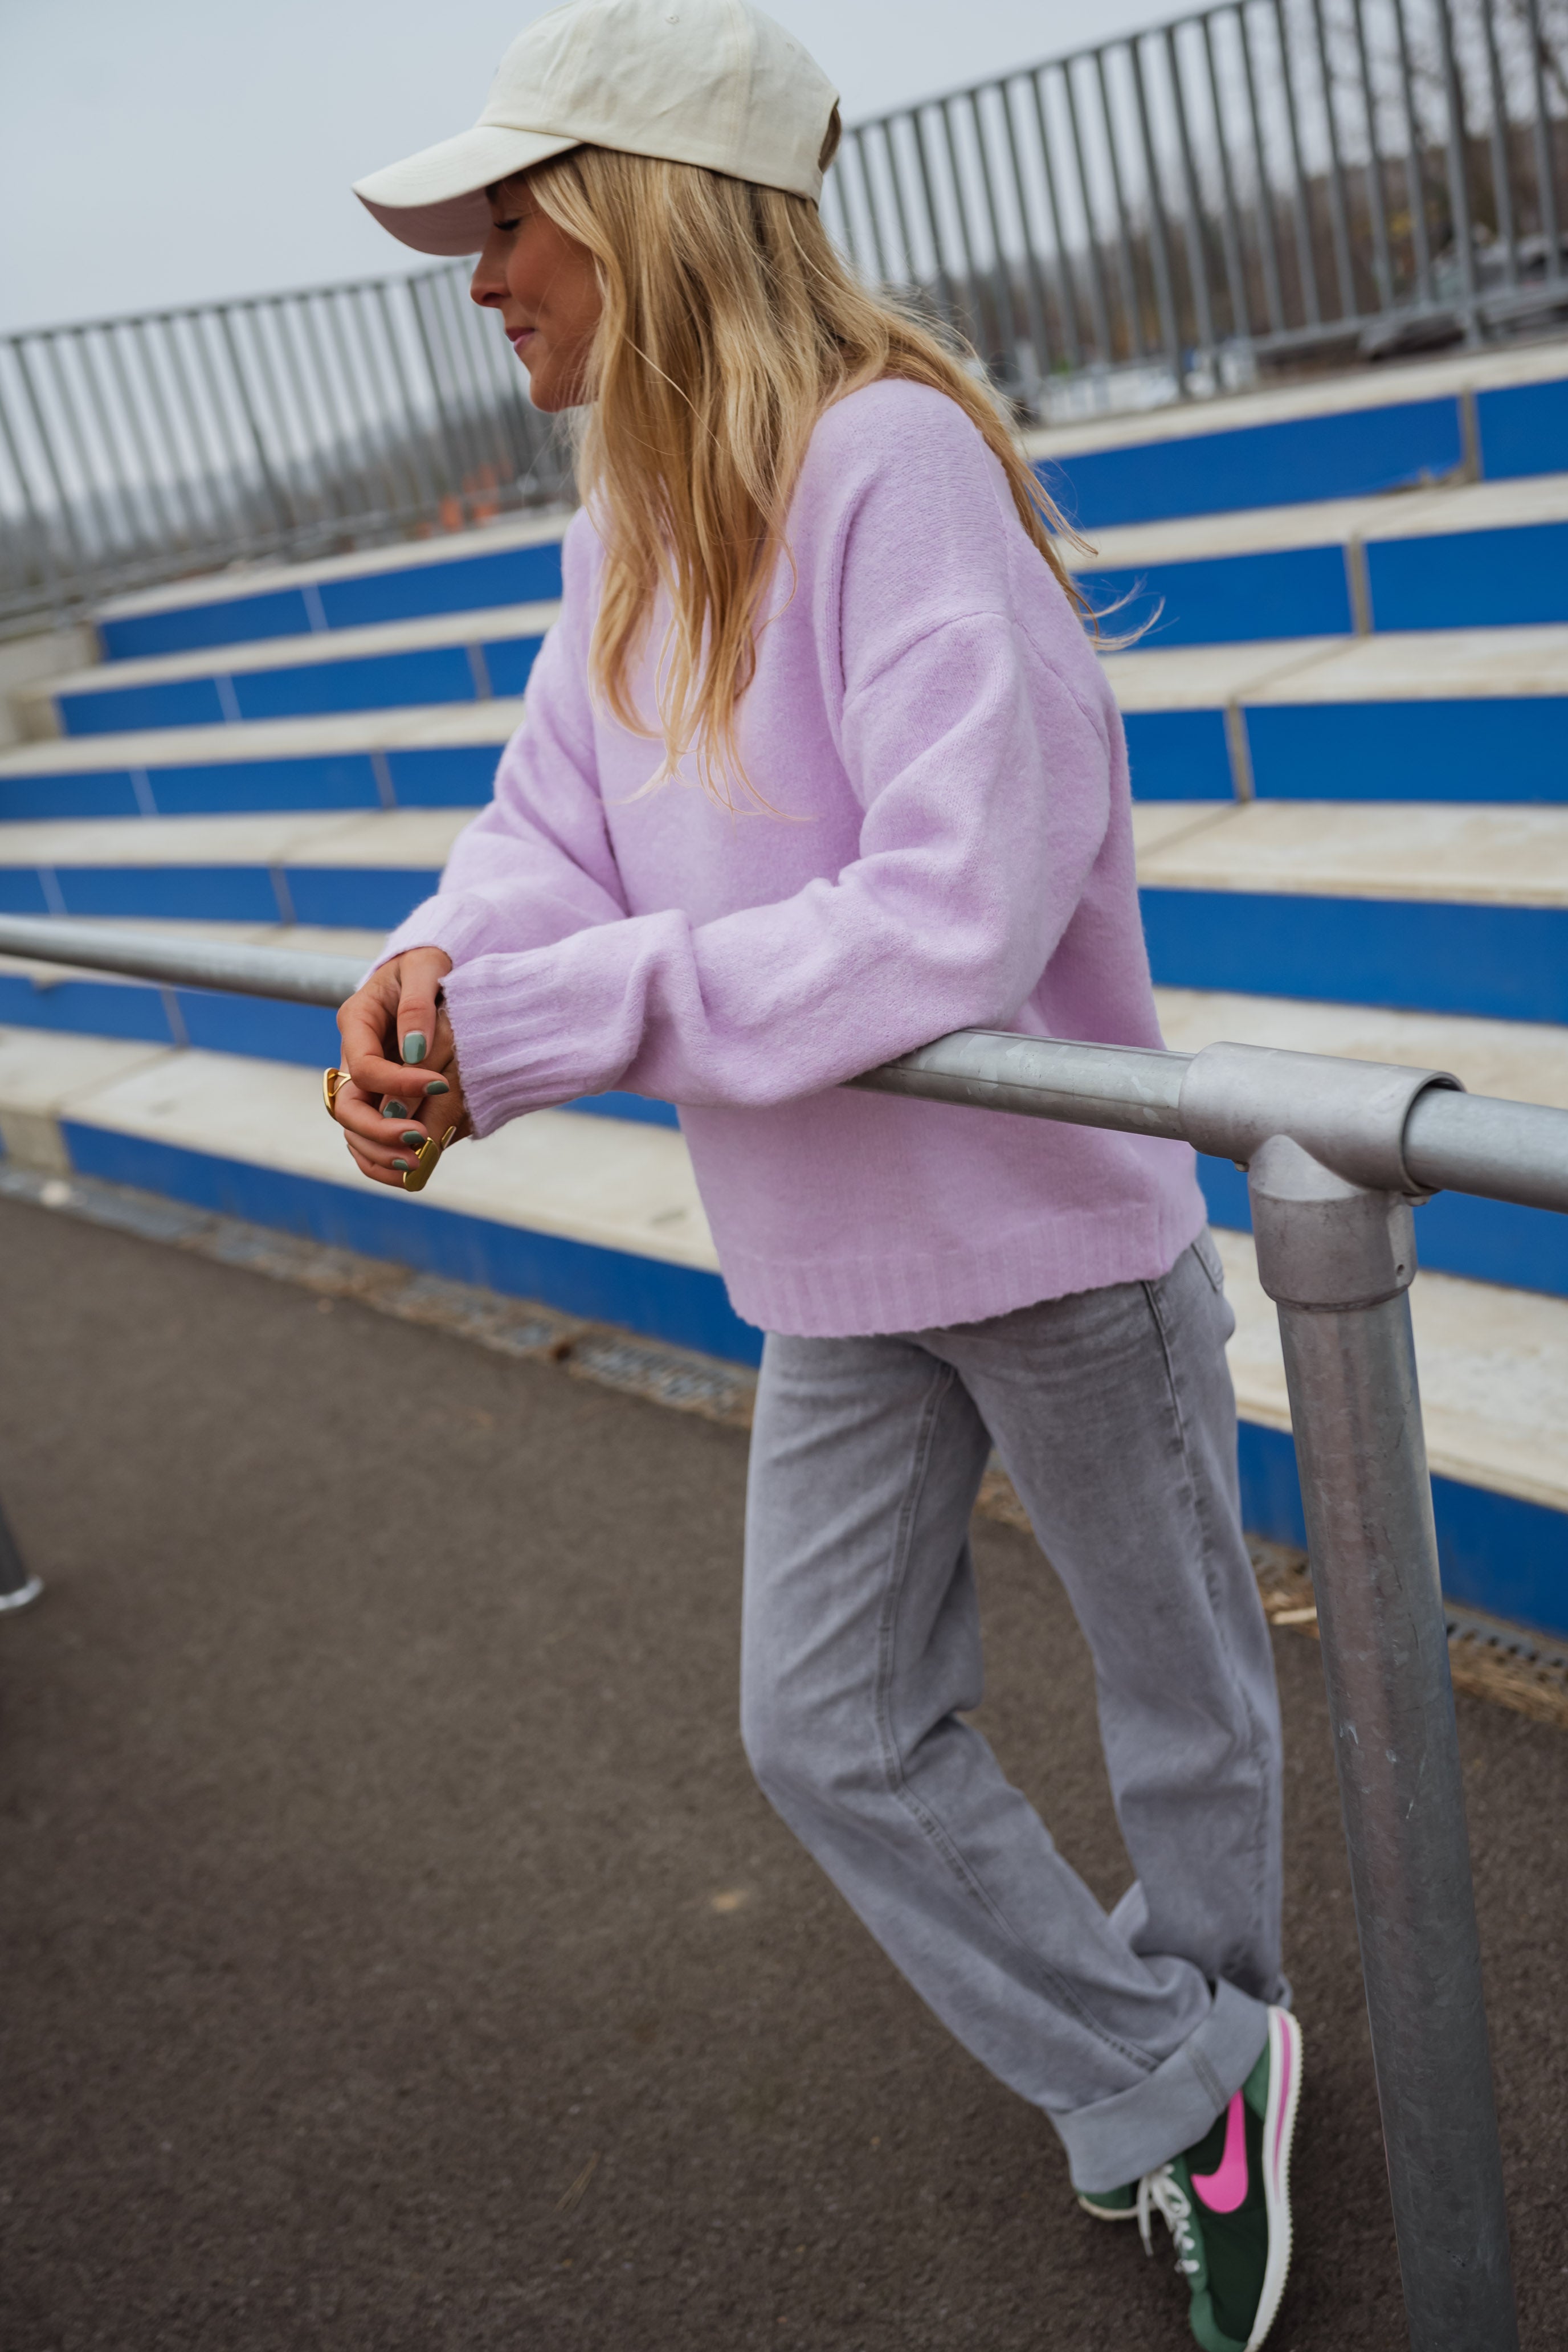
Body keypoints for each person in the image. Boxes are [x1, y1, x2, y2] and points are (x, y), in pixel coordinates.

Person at [334, 5, 1300, 2344]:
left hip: (1051, 1231)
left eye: (513, 219)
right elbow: (543, 822)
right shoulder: (627, 526)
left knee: (1179, 1703)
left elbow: (947, 915)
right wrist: (448, 963)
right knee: (824, 1726)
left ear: (646, 216)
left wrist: (556, 1024)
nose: (483, 275)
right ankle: (1181, 2083)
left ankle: (1208, 2057)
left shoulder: (891, 464)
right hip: (833, 1258)